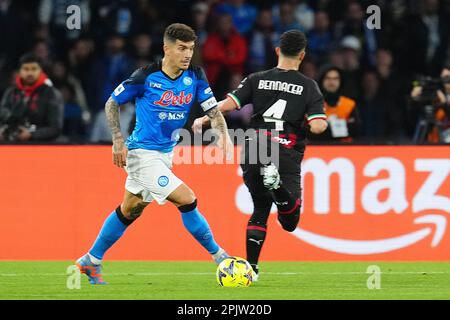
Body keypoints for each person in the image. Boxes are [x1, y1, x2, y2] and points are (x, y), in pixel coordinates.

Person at [75, 23, 232, 285]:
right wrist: (117, 139)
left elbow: (213, 112)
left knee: (130, 209)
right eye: (181, 48)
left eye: (191, 49)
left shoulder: (195, 75)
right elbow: (112, 102)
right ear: (166, 49)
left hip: (165, 154)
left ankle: (90, 260)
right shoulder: (145, 76)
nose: (187, 54)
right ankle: (221, 257)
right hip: (141, 154)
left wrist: (223, 136)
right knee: (187, 199)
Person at [193, 30, 327, 280]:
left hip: (253, 147)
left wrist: (204, 117)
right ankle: (276, 185)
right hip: (285, 150)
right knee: (289, 222)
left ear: (277, 51)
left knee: (260, 207)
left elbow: (228, 104)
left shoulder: (256, 79)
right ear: (302, 55)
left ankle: (251, 268)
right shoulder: (309, 87)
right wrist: (316, 122)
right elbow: (318, 125)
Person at [0, 53, 63, 142]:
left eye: (34, 69)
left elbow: (55, 128)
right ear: (20, 71)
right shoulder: (11, 92)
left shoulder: (51, 94)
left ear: (40, 71)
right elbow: (2, 114)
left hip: (40, 147)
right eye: (26, 69)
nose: (30, 73)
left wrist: (32, 134)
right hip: (10, 145)